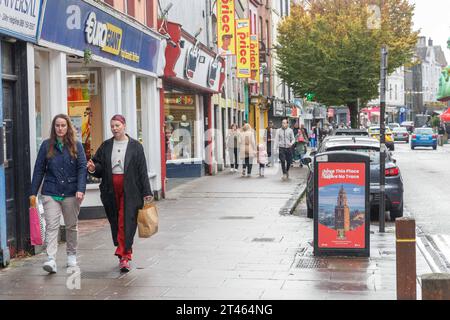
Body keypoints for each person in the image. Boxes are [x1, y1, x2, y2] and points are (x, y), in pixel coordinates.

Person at [87, 115, 153, 273]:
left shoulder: (136, 146)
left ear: (124, 125)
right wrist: (93, 168)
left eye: (117, 125)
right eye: (112, 126)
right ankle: (123, 249)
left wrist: (147, 192)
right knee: (116, 220)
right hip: (110, 189)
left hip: (131, 190)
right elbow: (99, 167)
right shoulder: (106, 145)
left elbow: (142, 171)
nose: (114, 128)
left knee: (126, 220)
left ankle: (125, 256)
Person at [30, 114, 87, 274]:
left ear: (68, 127)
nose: (60, 128)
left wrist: (81, 189)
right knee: (52, 226)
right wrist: (33, 193)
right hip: (51, 191)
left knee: (71, 226)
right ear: (54, 128)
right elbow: (39, 169)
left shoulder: (77, 145)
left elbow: (82, 168)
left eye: (63, 125)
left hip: (71, 192)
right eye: (57, 126)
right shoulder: (46, 145)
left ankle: (71, 255)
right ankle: (50, 259)